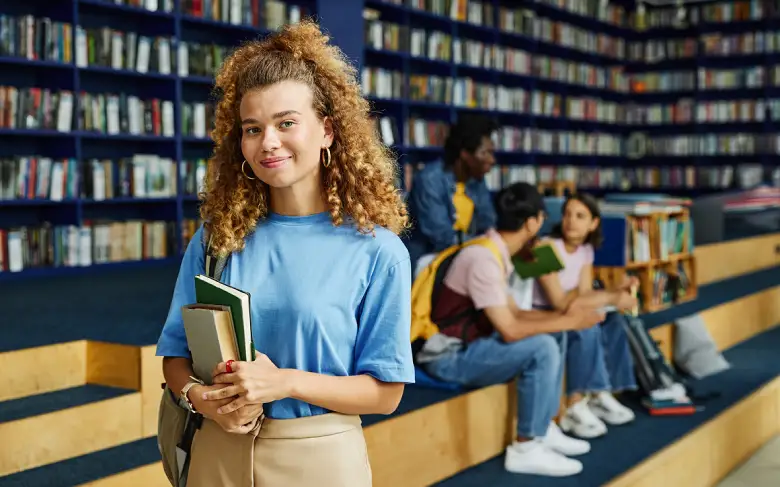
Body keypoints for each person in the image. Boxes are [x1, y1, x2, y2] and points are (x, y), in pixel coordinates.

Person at [155, 20, 414, 487]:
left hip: (318, 457)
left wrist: (285, 382)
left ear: (328, 131)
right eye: (252, 128)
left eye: (286, 123)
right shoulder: (217, 239)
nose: (268, 142)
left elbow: (385, 394)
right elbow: (175, 356)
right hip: (217, 449)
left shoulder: (379, 251)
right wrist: (197, 396)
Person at [418, 182, 605, 477]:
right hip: (449, 355)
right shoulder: (483, 258)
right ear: (532, 223)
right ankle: (526, 447)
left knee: (554, 333)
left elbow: (515, 313)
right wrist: (570, 320)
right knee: (542, 346)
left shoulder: (495, 249)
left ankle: (544, 426)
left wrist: (562, 321)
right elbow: (509, 330)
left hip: (474, 342)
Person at [533, 193, 638, 439]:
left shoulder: (585, 251)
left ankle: (602, 393)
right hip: (542, 312)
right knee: (586, 322)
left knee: (613, 319)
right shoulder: (545, 247)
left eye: (580, 216)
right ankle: (574, 404)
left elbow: (584, 293)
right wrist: (609, 297)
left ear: (593, 223)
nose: (571, 221)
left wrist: (612, 295)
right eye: (568, 214)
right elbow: (558, 301)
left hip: (568, 307)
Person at [404, 114, 500, 273]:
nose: (492, 160)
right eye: (486, 153)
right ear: (465, 154)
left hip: (463, 254)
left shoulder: (476, 180)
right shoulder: (430, 179)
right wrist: (483, 245)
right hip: (428, 258)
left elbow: (487, 223)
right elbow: (442, 237)